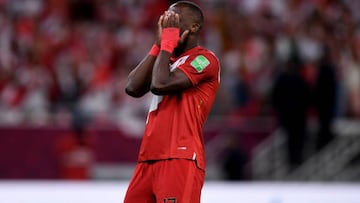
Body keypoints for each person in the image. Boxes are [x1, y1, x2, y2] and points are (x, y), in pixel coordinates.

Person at [123, 1, 220, 203]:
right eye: (166, 20)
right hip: (148, 157)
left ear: (194, 27)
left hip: (180, 157)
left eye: (175, 20)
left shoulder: (205, 60)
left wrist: (166, 44)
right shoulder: (164, 61)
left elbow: (160, 84)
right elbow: (132, 87)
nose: (169, 26)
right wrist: (159, 45)